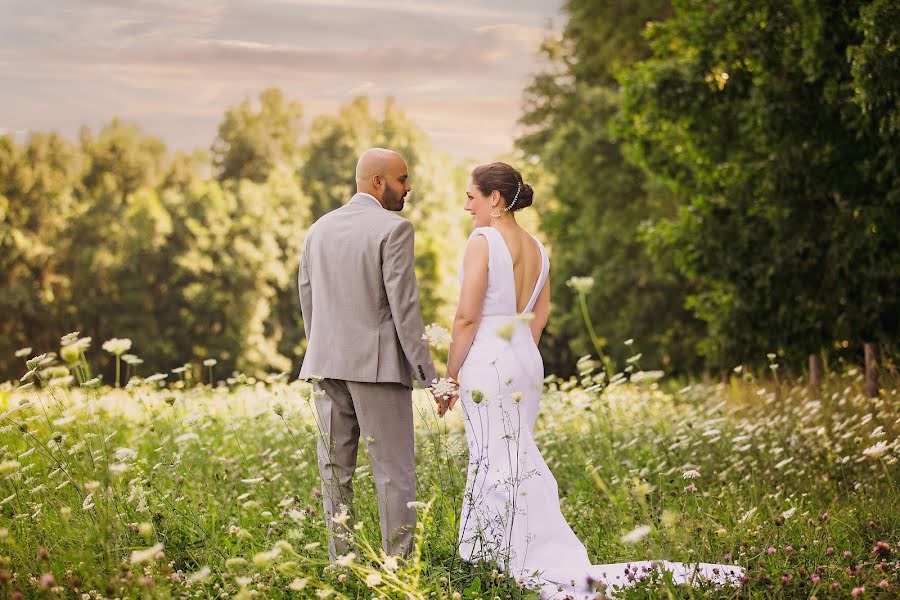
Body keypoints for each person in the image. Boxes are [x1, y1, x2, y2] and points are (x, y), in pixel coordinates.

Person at [441, 162, 745, 598]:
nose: (466, 205)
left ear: (494, 199)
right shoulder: (538, 248)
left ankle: (492, 558)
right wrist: (519, 353)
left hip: (489, 357)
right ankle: (509, 550)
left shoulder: (482, 240)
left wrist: (450, 379)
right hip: (525, 360)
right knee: (514, 452)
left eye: (471, 195)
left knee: (492, 457)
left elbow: (468, 317)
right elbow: (539, 315)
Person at [298, 148, 437, 560]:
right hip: (377, 369)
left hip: (326, 363)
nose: (408, 188)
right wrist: (431, 376)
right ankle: (399, 567)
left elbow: (307, 296)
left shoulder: (317, 229)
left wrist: (321, 345)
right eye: (402, 179)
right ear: (378, 182)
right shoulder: (394, 229)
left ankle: (342, 564)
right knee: (394, 473)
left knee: (334, 472)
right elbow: (404, 309)